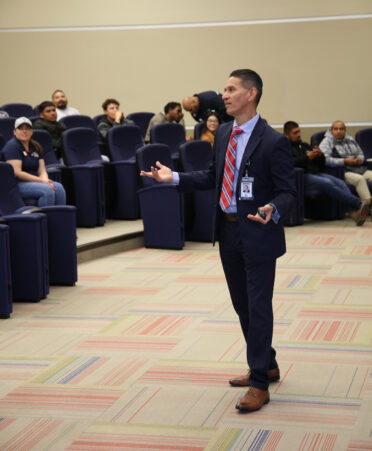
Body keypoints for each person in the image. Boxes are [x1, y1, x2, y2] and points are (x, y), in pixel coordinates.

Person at [141, 69, 296, 412]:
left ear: (251, 94)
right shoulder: (224, 132)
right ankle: (267, 363)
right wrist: (174, 176)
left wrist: (273, 207)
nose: (223, 95)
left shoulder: (273, 141)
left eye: (231, 89)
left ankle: (259, 383)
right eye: (224, 90)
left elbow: (288, 191)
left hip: (258, 230)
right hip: (227, 230)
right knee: (243, 306)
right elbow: (214, 176)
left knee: (258, 309)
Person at [284, 121, 369, 225]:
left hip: (315, 173)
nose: (299, 135)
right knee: (327, 183)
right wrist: (307, 157)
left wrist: (319, 155)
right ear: (287, 135)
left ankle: (353, 213)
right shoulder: (284, 148)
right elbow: (289, 163)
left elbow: (322, 163)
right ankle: (359, 203)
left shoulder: (304, 145)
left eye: (299, 132)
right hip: (301, 177)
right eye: (295, 133)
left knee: (340, 182)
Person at [2, 117, 66, 207]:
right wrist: (41, 181)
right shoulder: (12, 147)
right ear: (15, 132)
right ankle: (45, 220)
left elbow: (42, 170)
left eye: (27, 128)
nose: (24, 131)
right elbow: (17, 172)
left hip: (34, 181)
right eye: (21, 128)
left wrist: (45, 180)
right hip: (17, 184)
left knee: (59, 188)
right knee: (47, 190)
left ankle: (60, 219)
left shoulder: (35, 146)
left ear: (32, 132)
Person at [319, 121, 372, 206]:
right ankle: (367, 207)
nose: (339, 131)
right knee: (360, 179)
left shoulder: (350, 139)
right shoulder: (326, 142)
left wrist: (359, 160)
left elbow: (361, 154)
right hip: (342, 171)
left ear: (345, 130)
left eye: (341, 129)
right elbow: (324, 160)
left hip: (358, 168)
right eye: (336, 129)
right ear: (331, 130)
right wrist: (344, 161)